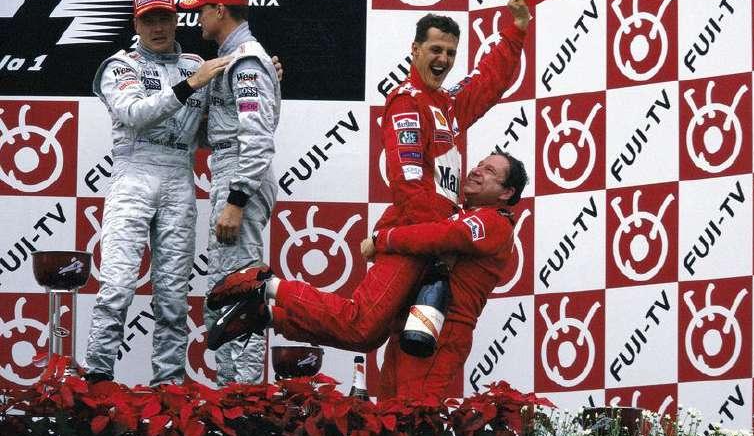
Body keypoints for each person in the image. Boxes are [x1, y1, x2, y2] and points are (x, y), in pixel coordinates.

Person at [203, 0, 531, 362]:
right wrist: (429, 242)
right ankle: (264, 285)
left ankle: (269, 314)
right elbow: (408, 183)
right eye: (435, 49)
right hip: (414, 235)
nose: (443, 59)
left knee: (369, 335)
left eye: (451, 53)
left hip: (429, 237)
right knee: (360, 323)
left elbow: (489, 81)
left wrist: (516, 30)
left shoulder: (447, 105)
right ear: (415, 50)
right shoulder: (408, 102)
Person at [208, 152, 527, 400]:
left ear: (507, 192)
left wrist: (383, 240)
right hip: (415, 323)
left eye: (490, 171)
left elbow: (441, 236)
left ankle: (266, 300)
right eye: (479, 164)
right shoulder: (457, 211)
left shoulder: (495, 222)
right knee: (396, 404)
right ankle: (268, 299)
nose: (477, 170)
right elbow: (425, 225)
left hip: (443, 330)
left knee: (407, 413)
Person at [84, 0, 229, 385]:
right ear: (136, 24)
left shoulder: (195, 64)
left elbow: (215, 129)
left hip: (180, 176)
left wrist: (267, 79)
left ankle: (169, 388)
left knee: (172, 297)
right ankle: (97, 381)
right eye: (149, 20)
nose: (158, 27)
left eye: (164, 18)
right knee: (117, 286)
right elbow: (135, 113)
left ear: (177, 19)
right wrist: (191, 85)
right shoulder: (120, 65)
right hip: (134, 173)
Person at [179, 0, 281, 386]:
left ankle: (244, 400)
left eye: (201, 9)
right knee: (227, 291)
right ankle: (233, 394)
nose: (197, 18)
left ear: (220, 10)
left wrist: (236, 200)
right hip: (233, 168)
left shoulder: (246, 61)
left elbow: (257, 138)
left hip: (241, 174)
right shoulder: (237, 58)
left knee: (239, 293)